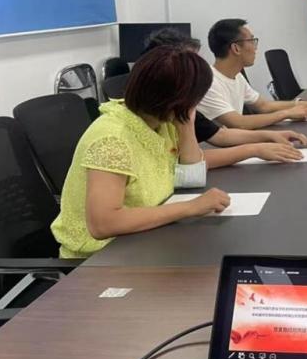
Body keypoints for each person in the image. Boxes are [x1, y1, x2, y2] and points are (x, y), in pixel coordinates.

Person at [51, 46, 231, 258]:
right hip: (101, 257)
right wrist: (190, 207)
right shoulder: (112, 138)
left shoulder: (161, 122)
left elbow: (191, 177)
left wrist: (187, 124)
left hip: (145, 239)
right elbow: (103, 224)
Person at [141, 28, 307, 167]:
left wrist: (266, 139)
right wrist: (255, 149)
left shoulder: (180, 107)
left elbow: (219, 136)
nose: (197, 71)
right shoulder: (136, 125)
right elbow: (185, 167)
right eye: (191, 65)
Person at [199, 19, 307, 129]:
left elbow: (263, 105)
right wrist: (287, 113)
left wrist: (304, 104)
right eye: (252, 41)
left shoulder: (237, 76)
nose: (255, 48)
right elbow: (238, 122)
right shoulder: (207, 83)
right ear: (236, 48)